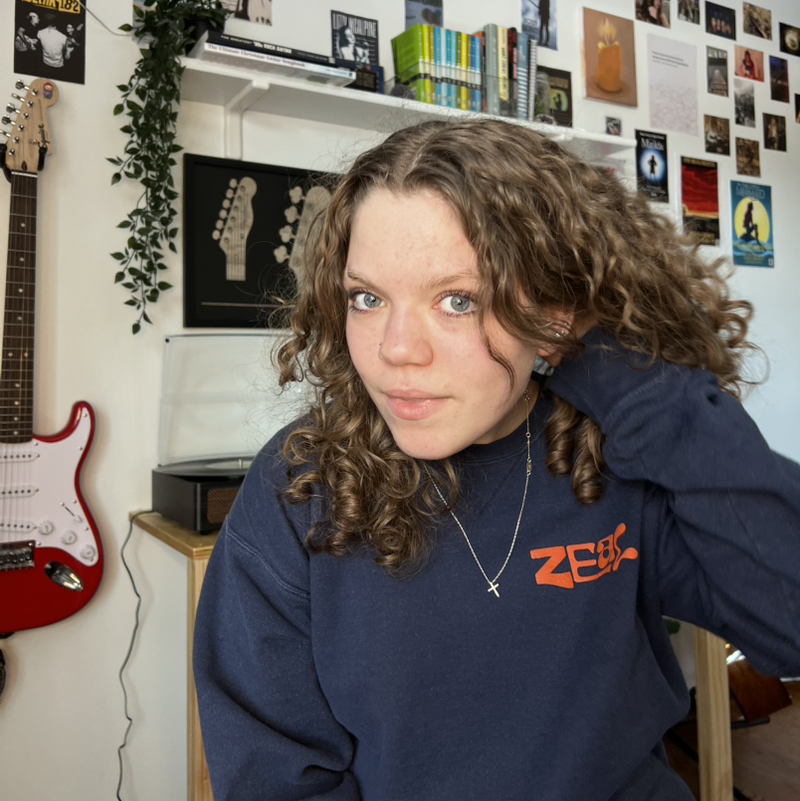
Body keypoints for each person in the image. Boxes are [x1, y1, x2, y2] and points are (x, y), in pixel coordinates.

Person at [193, 118, 800, 801]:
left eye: (458, 300)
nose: (396, 349)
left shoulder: (611, 453)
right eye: (367, 298)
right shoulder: (300, 487)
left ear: (554, 307)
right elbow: (274, 779)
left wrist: (630, 381)